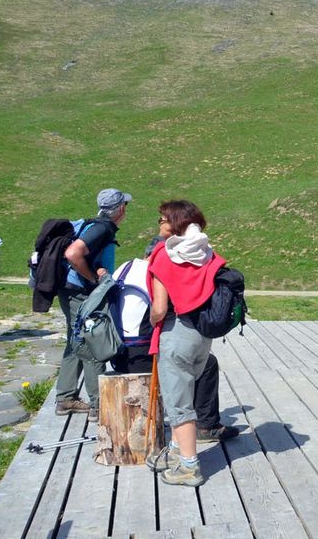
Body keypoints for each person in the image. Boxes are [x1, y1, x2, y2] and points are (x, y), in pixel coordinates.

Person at [110, 231, 238, 443]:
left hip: (118, 350)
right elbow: (159, 311)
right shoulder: (156, 272)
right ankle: (206, 426)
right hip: (141, 354)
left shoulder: (125, 268)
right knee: (206, 363)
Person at [145, 200, 223, 487]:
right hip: (202, 334)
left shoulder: (164, 256)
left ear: (175, 222)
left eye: (162, 219)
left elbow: (160, 308)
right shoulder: (207, 253)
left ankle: (190, 467)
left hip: (176, 331)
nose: (159, 224)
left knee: (178, 403)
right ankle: (177, 452)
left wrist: (153, 321)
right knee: (187, 389)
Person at [56, 188, 131, 422]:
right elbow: (73, 253)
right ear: (120, 209)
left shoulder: (94, 225)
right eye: (125, 206)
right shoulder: (101, 228)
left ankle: (66, 398)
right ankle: (99, 406)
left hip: (68, 290)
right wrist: (92, 279)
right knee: (92, 341)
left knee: (76, 340)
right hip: (80, 293)